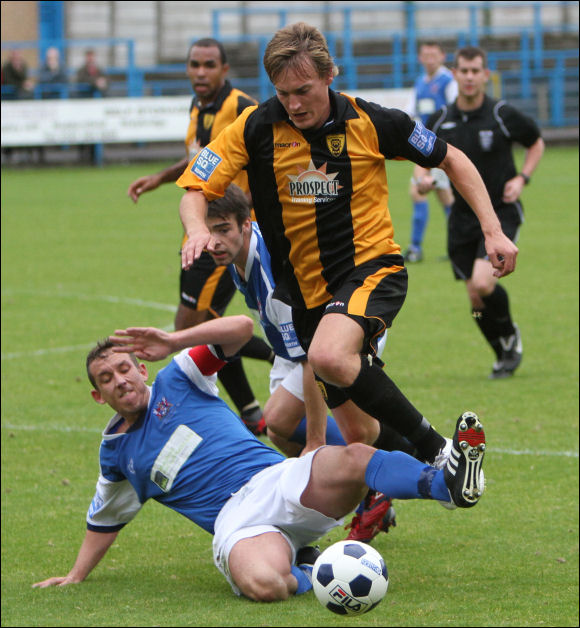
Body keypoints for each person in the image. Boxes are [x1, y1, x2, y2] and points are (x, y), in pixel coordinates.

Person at [174, 22, 515, 484]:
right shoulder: (256, 127)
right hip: (307, 297)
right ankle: (449, 485)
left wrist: (492, 231)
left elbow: (451, 158)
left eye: (303, 90)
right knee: (360, 432)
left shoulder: (372, 122)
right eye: (283, 93)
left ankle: (443, 453)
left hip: (371, 270)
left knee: (329, 357)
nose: (293, 104)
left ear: (330, 74)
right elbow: (196, 185)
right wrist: (195, 228)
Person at [31, 314, 487, 601]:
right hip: (239, 523)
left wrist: (174, 339)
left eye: (125, 368)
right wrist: (74, 575)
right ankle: (306, 569)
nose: (120, 380)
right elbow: (104, 521)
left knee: (354, 456)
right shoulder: (116, 454)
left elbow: (240, 330)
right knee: (265, 585)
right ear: (98, 396)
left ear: (141, 368)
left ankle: (446, 484)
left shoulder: (179, 377)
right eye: (107, 378)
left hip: (277, 479)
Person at [204, 184, 404, 543]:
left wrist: (314, 441)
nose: (214, 241)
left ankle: (376, 479)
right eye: (209, 232)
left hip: (340, 327)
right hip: (302, 335)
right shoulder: (238, 255)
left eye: (223, 230)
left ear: (246, 225)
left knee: (358, 432)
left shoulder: (271, 272)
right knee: (279, 425)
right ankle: (364, 479)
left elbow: (314, 361)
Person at [127, 38, 273, 434]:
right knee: (203, 325)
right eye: (195, 64)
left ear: (224, 70)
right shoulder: (198, 106)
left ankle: (285, 358)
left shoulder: (242, 107)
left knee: (191, 326)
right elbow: (201, 156)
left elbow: (269, 158)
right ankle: (252, 409)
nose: (201, 72)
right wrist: (159, 178)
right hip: (198, 230)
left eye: (209, 65)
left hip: (227, 236)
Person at [413, 46, 544, 379]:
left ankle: (509, 332)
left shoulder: (501, 113)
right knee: (474, 299)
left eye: (476, 71)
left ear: (486, 75)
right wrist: (423, 178)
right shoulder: (439, 120)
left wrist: (522, 177)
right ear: (454, 74)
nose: (469, 77)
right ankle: (502, 351)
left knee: (484, 284)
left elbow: (536, 141)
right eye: (464, 71)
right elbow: (419, 157)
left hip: (501, 212)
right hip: (462, 216)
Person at [403, 41, 458, 263]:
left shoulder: (448, 82)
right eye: (426, 55)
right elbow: (412, 111)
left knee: (418, 191)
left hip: (439, 146)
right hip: (424, 146)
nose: (430, 59)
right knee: (446, 198)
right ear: (420, 58)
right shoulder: (421, 82)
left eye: (434, 55)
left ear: (442, 56)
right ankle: (460, 247)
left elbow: (455, 110)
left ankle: (416, 249)